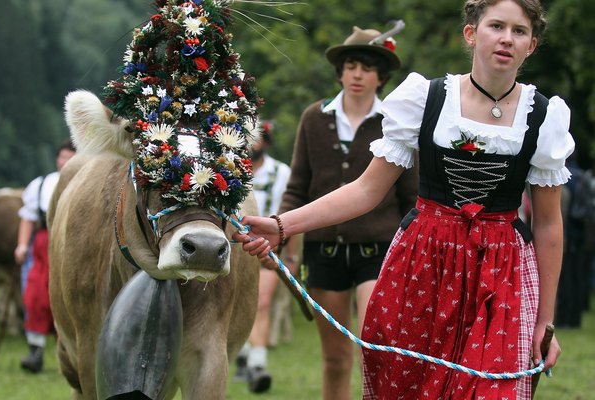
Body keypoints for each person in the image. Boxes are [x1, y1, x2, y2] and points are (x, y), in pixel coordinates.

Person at [234, 0, 569, 398]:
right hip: (424, 265)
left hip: (501, 272)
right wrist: (282, 225)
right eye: (496, 26)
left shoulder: (544, 118)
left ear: (531, 45)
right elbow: (365, 189)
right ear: (471, 33)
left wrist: (544, 321)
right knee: (411, 387)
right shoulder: (426, 99)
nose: (506, 39)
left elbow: (548, 224)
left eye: (519, 31)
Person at [271, 25, 418, 400]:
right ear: (340, 71)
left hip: (380, 252)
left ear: (381, 76)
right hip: (324, 251)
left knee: (376, 347)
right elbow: (297, 187)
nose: (357, 74)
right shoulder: (313, 117)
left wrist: (415, 253)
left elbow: (412, 197)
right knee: (335, 358)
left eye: (367, 68)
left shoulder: (396, 122)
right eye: (351, 65)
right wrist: (280, 233)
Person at [234, 121, 299, 393]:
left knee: (261, 302)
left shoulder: (281, 173)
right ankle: (242, 354)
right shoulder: (231, 170)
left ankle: (257, 365)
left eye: (259, 138)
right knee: (238, 304)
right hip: (236, 247)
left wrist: (291, 255)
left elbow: (292, 211)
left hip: (270, 248)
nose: (254, 143)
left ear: (267, 142)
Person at [16, 139, 76, 373]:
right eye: (62, 156)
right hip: (44, 243)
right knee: (36, 294)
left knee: (68, 296)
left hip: (73, 242)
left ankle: (70, 353)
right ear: (57, 158)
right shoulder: (42, 184)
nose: (65, 161)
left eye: (70, 157)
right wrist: (22, 245)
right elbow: (28, 217)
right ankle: (35, 351)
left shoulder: (87, 183)